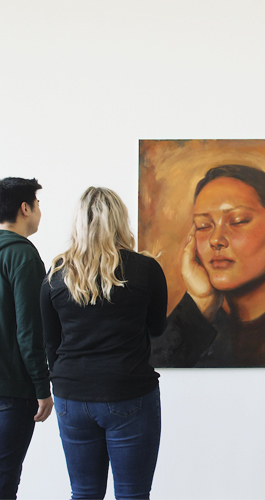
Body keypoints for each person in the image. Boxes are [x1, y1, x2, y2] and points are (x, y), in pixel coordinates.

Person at [40, 187, 167, 500]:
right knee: (132, 495)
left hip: (71, 396)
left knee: (83, 493)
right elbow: (156, 328)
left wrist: (67, 382)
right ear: (121, 221)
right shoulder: (145, 269)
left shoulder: (57, 274)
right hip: (128, 391)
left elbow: (50, 342)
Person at [150, 164, 265, 368]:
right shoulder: (196, 323)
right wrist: (201, 302)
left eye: (238, 221)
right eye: (203, 226)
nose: (215, 239)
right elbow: (153, 372)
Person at [0, 177, 53, 499]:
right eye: (38, 204)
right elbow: (29, 330)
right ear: (25, 208)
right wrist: (42, 387)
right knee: (5, 480)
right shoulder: (23, 256)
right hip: (13, 391)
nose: (39, 212)